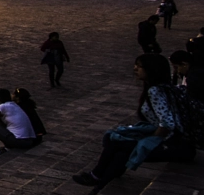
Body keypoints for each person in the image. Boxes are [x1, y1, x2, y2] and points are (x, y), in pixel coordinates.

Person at [75, 55, 185, 186]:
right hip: (172, 138)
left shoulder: (155, 91)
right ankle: (105, 178)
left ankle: (96, 176)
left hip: (169, 141)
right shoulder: (164, 87)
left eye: (139, 66)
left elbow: (167, 123)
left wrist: (151, 140)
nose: (135, 68)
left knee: (114, 140)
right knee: (121, 145)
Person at [0, 88, 40, 155]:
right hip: (29, 141)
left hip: (19, 141)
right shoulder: (14, 105)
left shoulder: (3, 106)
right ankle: (7, 147)